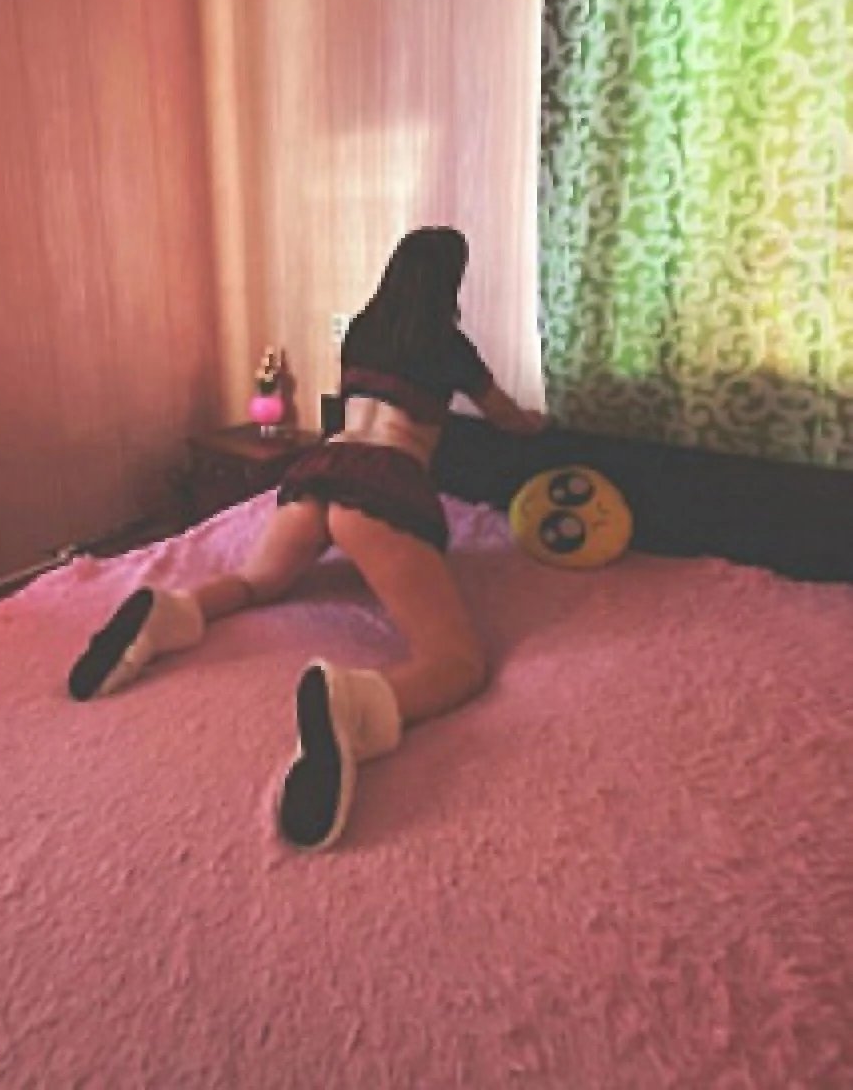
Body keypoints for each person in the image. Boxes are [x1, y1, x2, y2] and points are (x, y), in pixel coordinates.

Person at [67, 227, 547, 851]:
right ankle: (358, 704)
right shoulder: (451, 348)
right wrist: (539, 425)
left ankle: (171, 610)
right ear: (450, 281)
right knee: (458, 662)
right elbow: (506, 418)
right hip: (382, 482)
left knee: (254, 582)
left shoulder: (361, 332)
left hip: (318, 470)